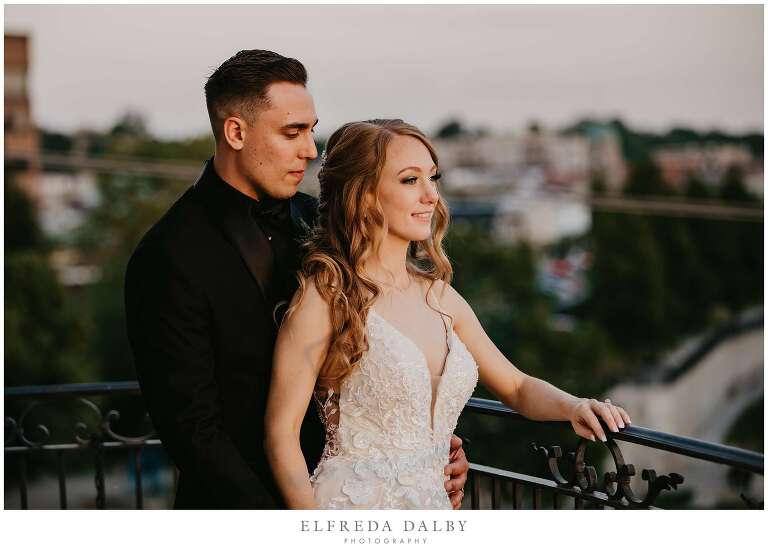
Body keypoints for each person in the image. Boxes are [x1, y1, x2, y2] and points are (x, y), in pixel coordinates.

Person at [124, 50, 468, 509]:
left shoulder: (322, 223)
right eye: (293, 133)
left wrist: (424, 455)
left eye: (311, 130)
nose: (310, 150)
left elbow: (376, 355)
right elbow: (191, 431)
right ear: (235, 132)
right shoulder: (166, 256)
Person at [265, 119, 632, 509]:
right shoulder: (325, 298)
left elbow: (517, 387)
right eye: (410, 180)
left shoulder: (441, 297)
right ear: (364, 195)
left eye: (433, 178)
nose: (431, 196)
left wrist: (574, 405)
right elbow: (279, 433)